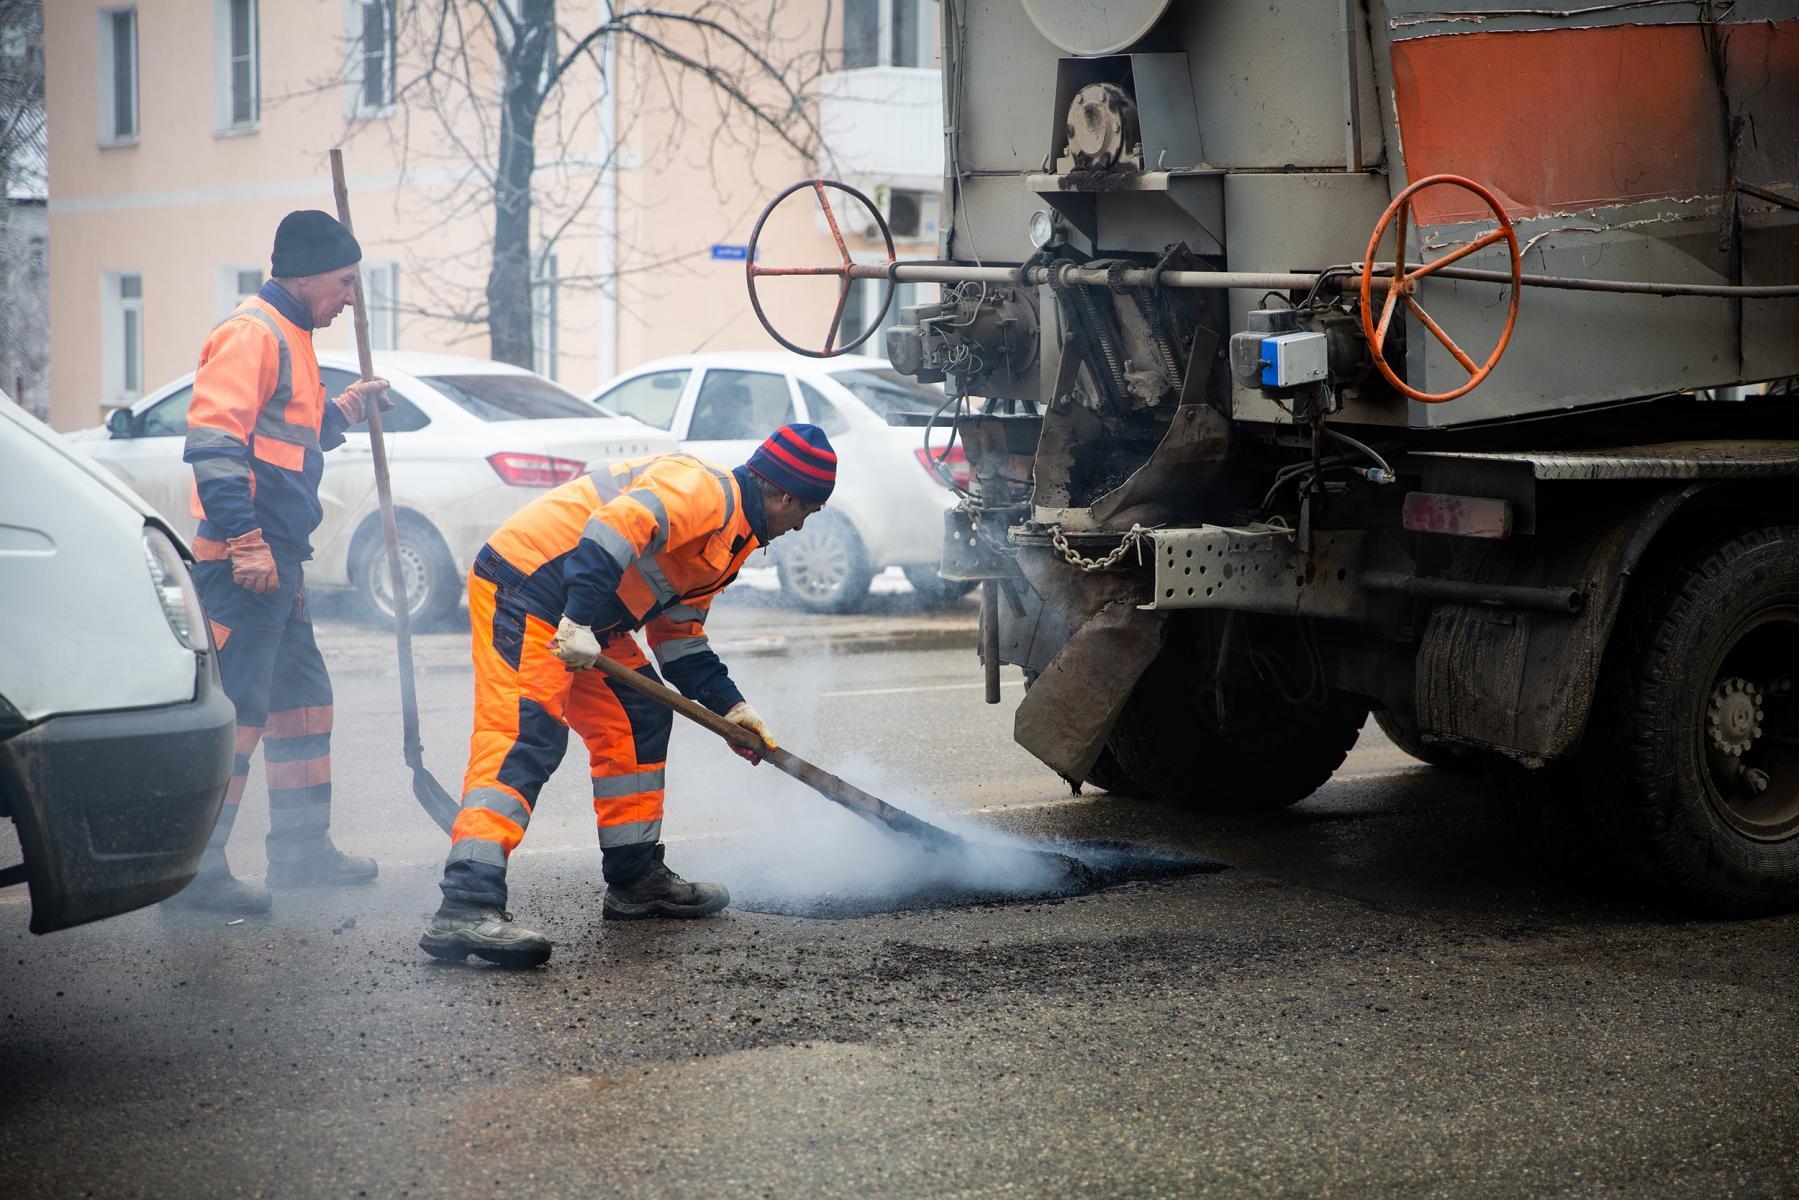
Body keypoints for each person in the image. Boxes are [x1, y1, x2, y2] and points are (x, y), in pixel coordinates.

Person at [418, 424, 838, 967]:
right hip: (529, 586)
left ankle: (636, 879)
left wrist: (733, 708)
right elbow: (611, 530)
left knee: (638, 717)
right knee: (526, 733)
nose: (801, 525)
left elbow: (679, 639)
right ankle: (466, 903)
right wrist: (574, 621)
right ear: (784, 495)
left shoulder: (732, 544)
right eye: (807, 511)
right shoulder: (704, 491)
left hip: (590, 617)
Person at [165, 210, 392, 915]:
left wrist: (346, 409)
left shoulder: (292, 336)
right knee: (240, 713)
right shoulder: (252, 333)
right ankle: (193, 872)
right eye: (346, 282)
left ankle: (300, 851)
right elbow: (215, 443)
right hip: (244, 564)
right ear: (308, 273)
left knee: (302, 704)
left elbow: (290, 434)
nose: (352, 298)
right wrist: (244, 540)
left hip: (280, 563)